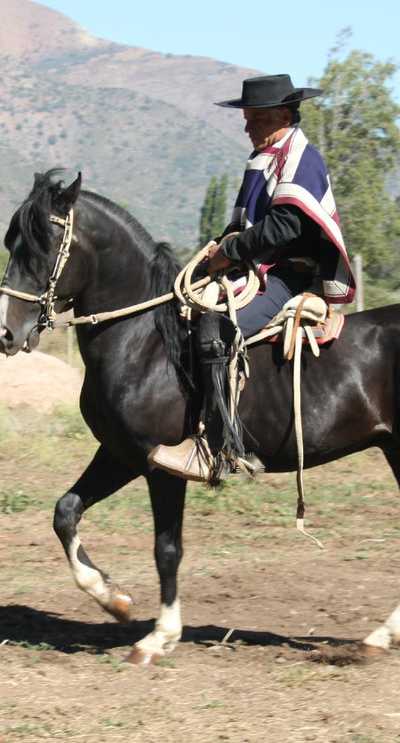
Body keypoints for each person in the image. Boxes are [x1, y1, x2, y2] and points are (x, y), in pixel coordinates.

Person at [148, 74, 356, 483]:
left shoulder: (301, 158)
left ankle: (220, 446)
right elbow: (245, 223)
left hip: (287, 276)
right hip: (257, 269)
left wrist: (229, 251)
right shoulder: (267, 155)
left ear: (283, 115)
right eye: (245, 119)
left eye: (255, 119)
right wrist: (216, 248)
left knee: (219, 328)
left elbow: (284, 227)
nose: (247, 128)